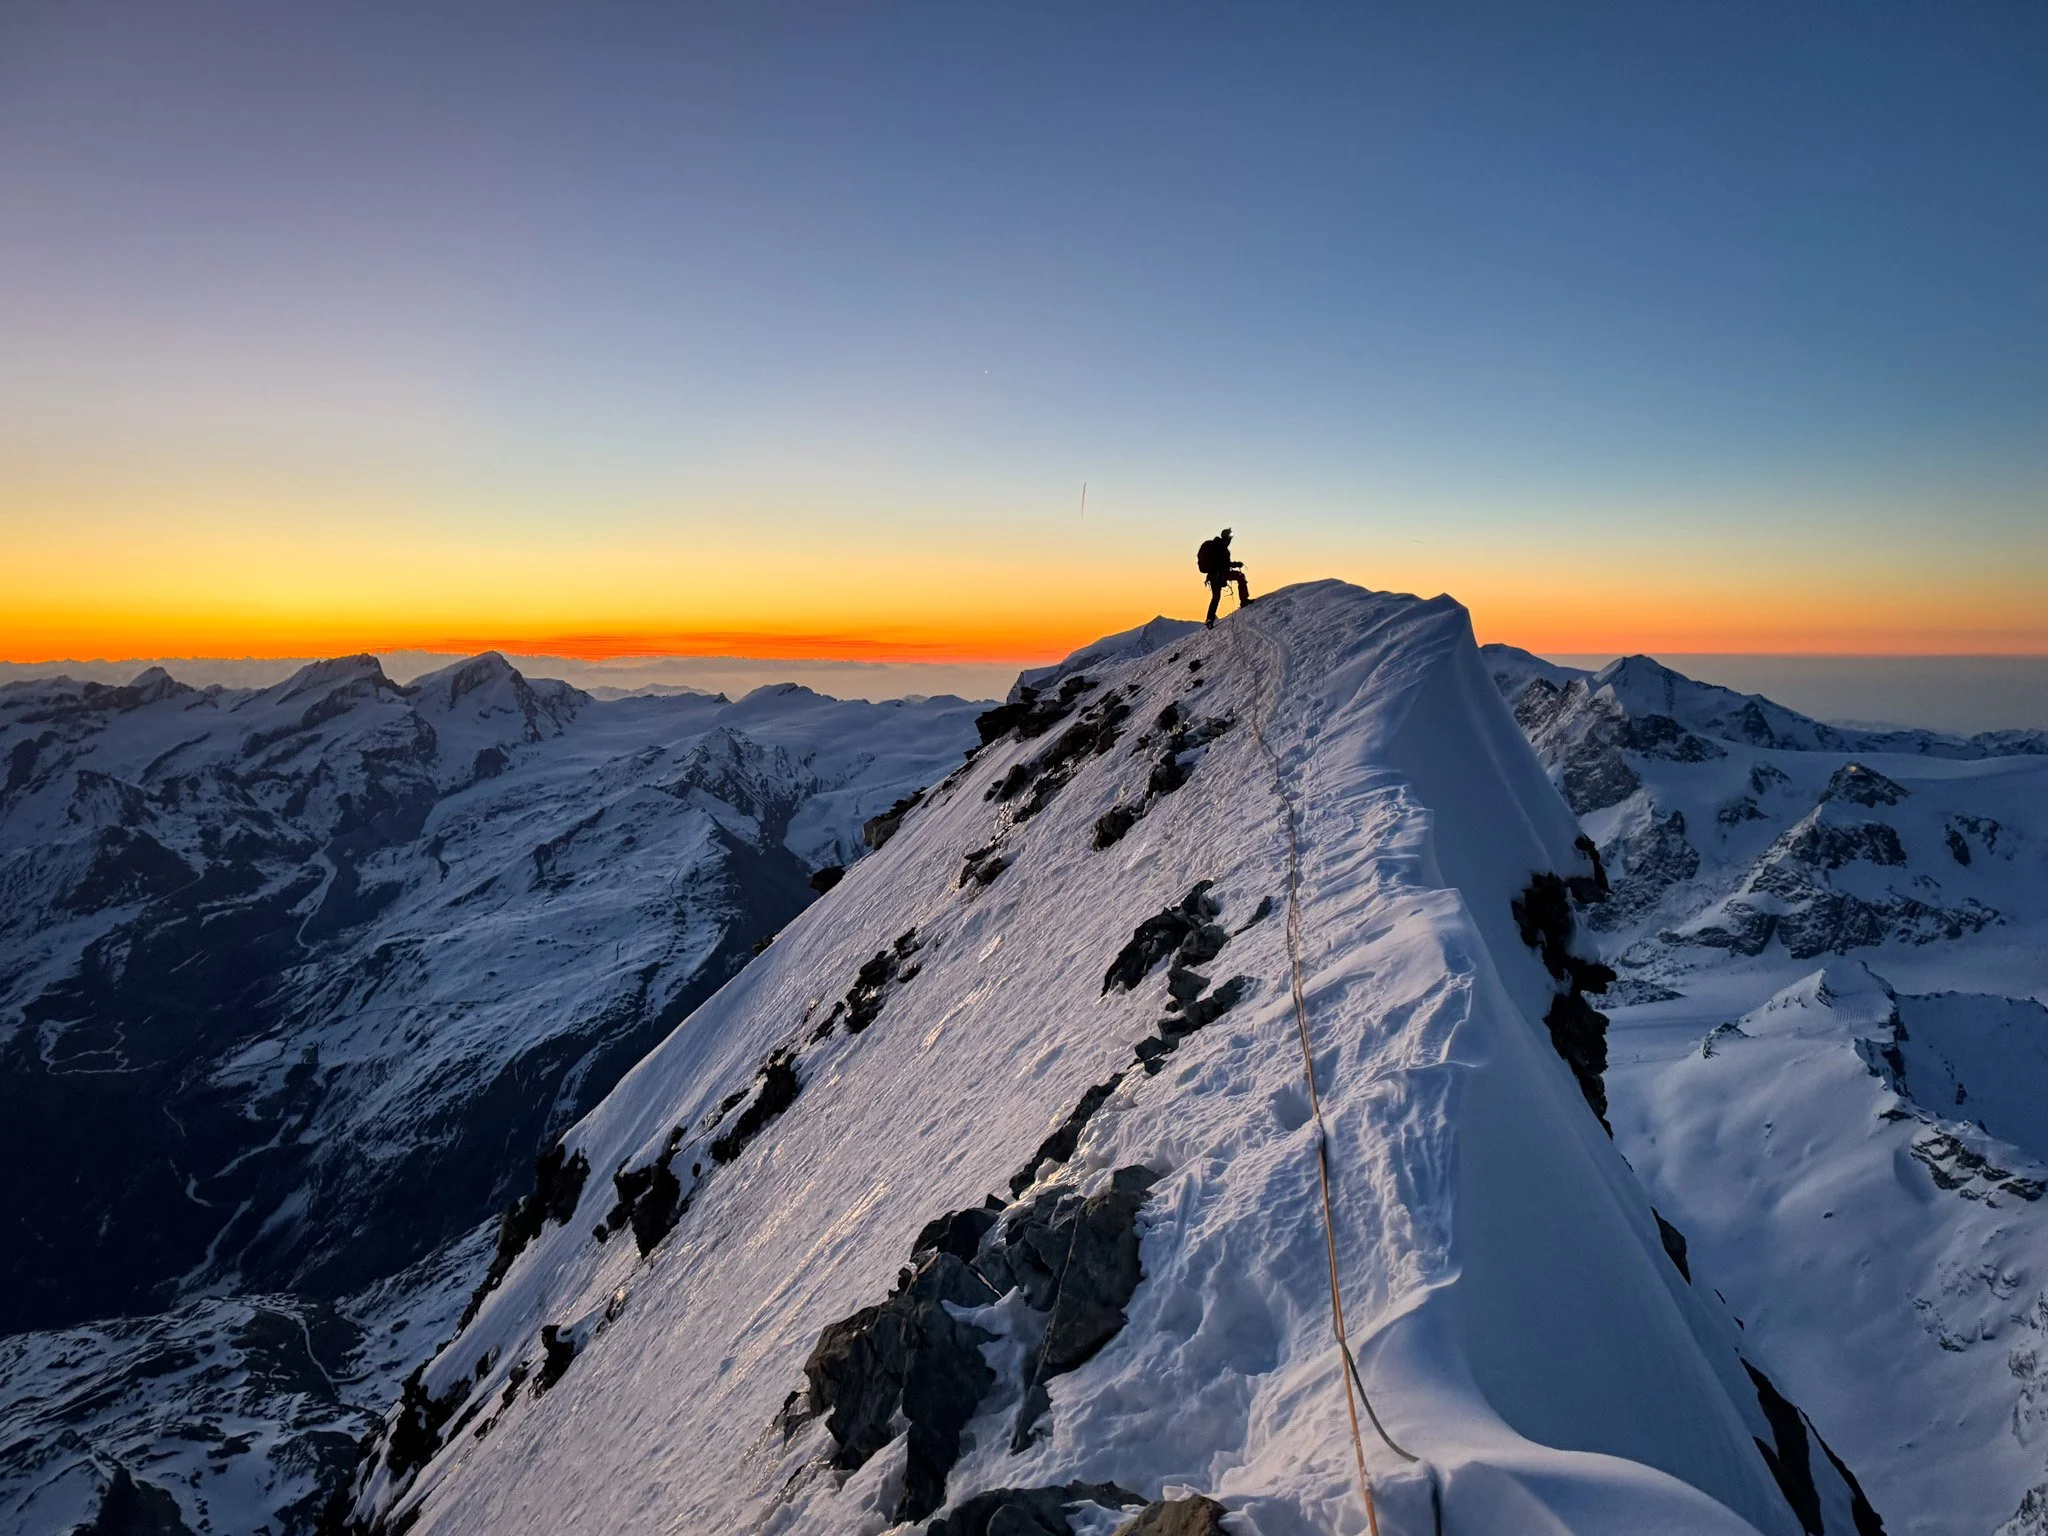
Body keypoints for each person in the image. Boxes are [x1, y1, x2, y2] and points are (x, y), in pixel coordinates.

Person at [1196, 528, 1252, 628]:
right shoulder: (1221, 548)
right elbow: (1224, 564)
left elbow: (1222, 564)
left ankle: (1210, 619)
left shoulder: (1217, 546)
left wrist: (1234, 564)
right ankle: (1244, 600)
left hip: (1214, 576)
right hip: (1221, 574)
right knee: (1240, 577)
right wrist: (1236, 564)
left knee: (1216, 597)